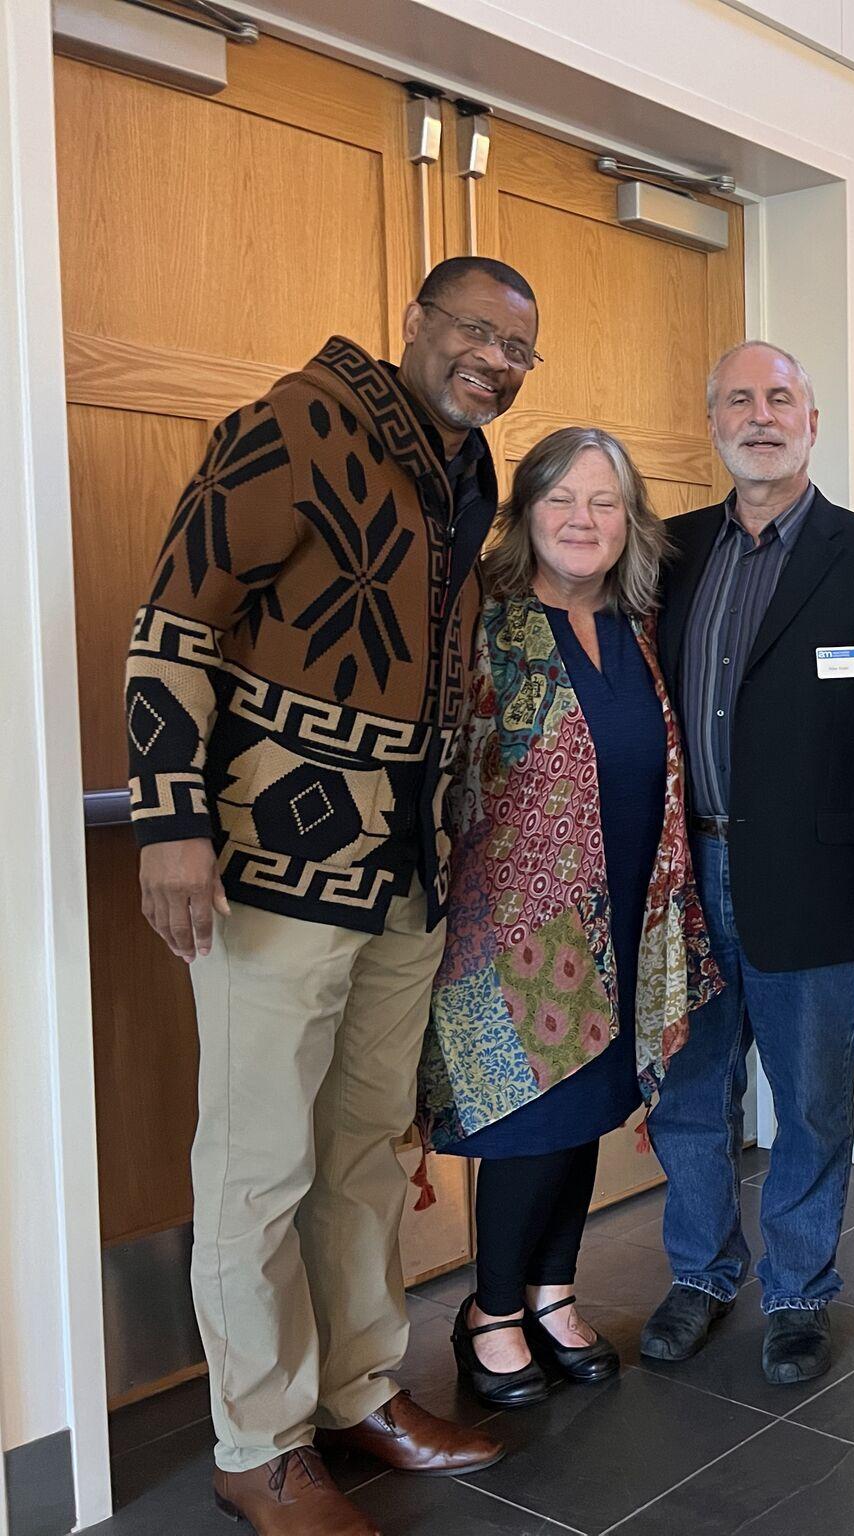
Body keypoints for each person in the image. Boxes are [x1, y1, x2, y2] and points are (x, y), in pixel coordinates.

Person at [125, 256, 539, 1534]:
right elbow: (171, 626)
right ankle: (256, 1442)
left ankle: (358, 1386)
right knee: (256, 1169)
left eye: (520, 347)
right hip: (270, 870)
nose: (496, 360)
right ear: (413, 322)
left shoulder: (462, 471)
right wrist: (170, 825)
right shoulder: (297, 424)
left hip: (402, 876)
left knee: (363, 1152)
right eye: (475, 330)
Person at [641, 341, 854, 1386]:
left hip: (815, 884)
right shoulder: (665, 556)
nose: (759, 416)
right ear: (714, 421)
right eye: (738, 399)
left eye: (779, 399)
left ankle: (799, 1290)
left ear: (812, 423)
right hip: (682, 882)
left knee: (812, 1100)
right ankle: (700, 1273)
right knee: (688, 1093)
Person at [418, 427, 722, 1407]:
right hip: (510, 927)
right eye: (561, 500)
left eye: (602, 502)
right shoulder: (487, 622)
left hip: (625, 909)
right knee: (527, 1120)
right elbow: (445, 769)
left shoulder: (637, 624)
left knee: (587, 1108)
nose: (581, 521)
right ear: (526, 513)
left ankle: (554, 1293)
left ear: (628, 520)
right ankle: (491, 1311)